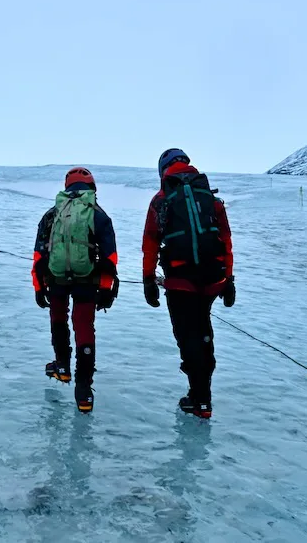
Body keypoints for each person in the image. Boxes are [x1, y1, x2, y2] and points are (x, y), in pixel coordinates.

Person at [141, 148, 235, 418]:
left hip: (180, 281)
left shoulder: (162, 199)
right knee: (203, 330)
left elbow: (150, 242)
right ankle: (203, 395)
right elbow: (226, 241)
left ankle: (199, 399)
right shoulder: (209, 198)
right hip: (212, 279)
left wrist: (148, 279)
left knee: (187, 336)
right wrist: (229, 279)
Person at [32, 167, 118, 413]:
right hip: (88, 280)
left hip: (57, 278)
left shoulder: (52, 214)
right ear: (92, 188)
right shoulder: (98, 215)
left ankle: (62, 367)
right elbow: (110, 256)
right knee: (83, 326)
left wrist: (39, 287)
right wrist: (105, 288)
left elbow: (39, 255)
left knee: (58, 318)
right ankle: (83, 390)